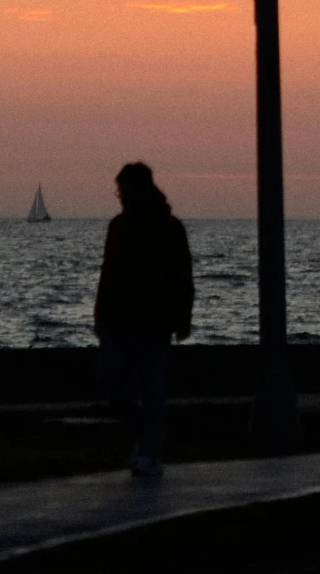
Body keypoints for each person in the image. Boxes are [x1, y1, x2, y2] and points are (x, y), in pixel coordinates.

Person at [93, 161, 194, 479]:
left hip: (154, 320)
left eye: (123, 191)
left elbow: (182, 275)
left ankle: (149, 450)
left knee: (151, 387)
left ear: (140, 190)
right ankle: (148, 435)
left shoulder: (170, 227)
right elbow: (107, 273)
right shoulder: (118, 226)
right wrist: (100, 314)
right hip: (117, 320)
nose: (120, 197)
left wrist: (182, 317)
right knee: (113, 386)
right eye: (118, 191)